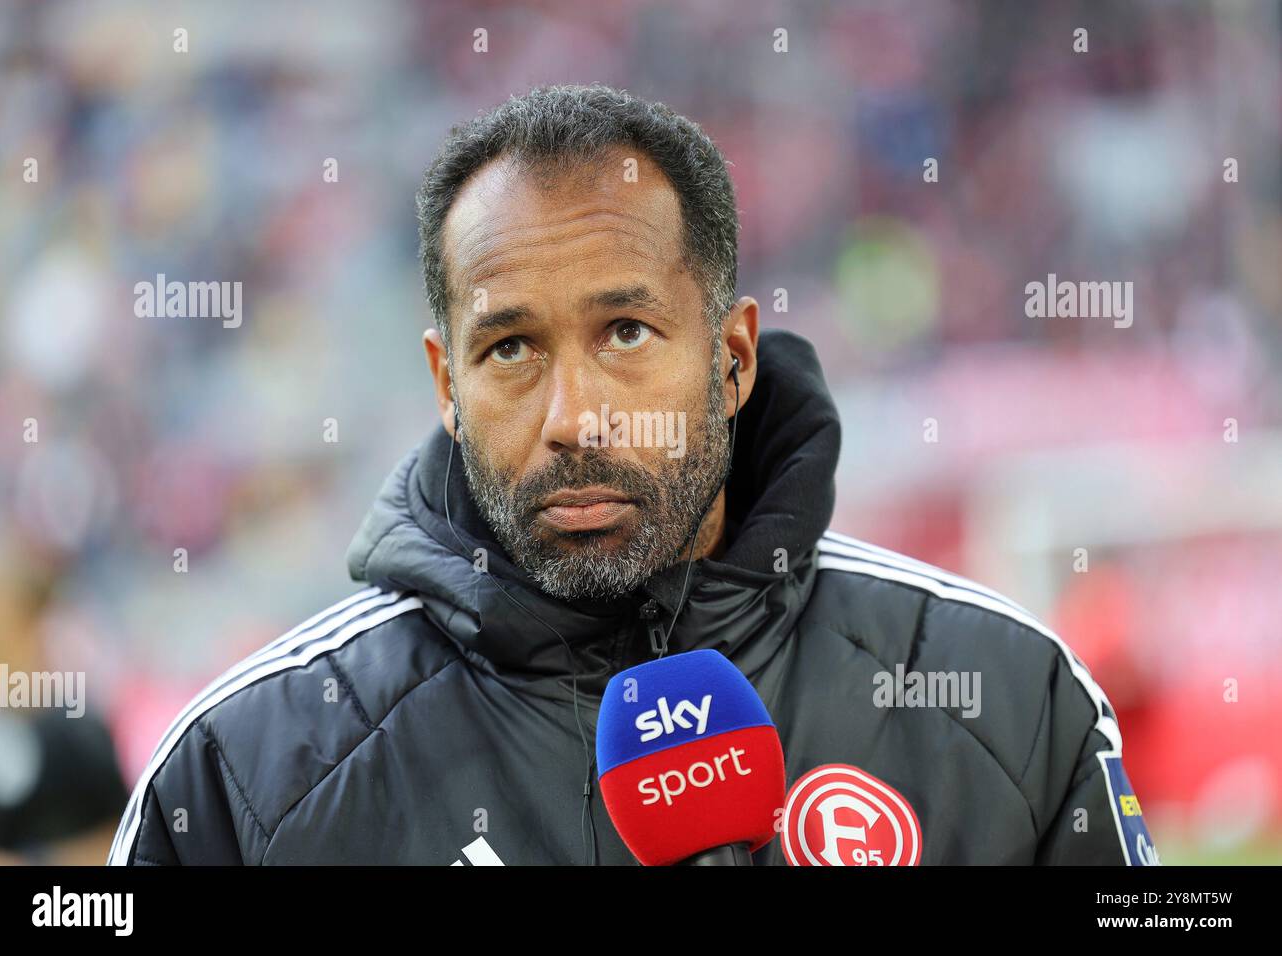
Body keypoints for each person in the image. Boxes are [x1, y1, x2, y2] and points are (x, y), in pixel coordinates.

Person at [108, 84, 1156, 866]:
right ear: (445, 381)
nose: (573, 418)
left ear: (732, 357)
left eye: (625, 330)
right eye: (509, 348)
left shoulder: (1011, 700)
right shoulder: (241, 778)